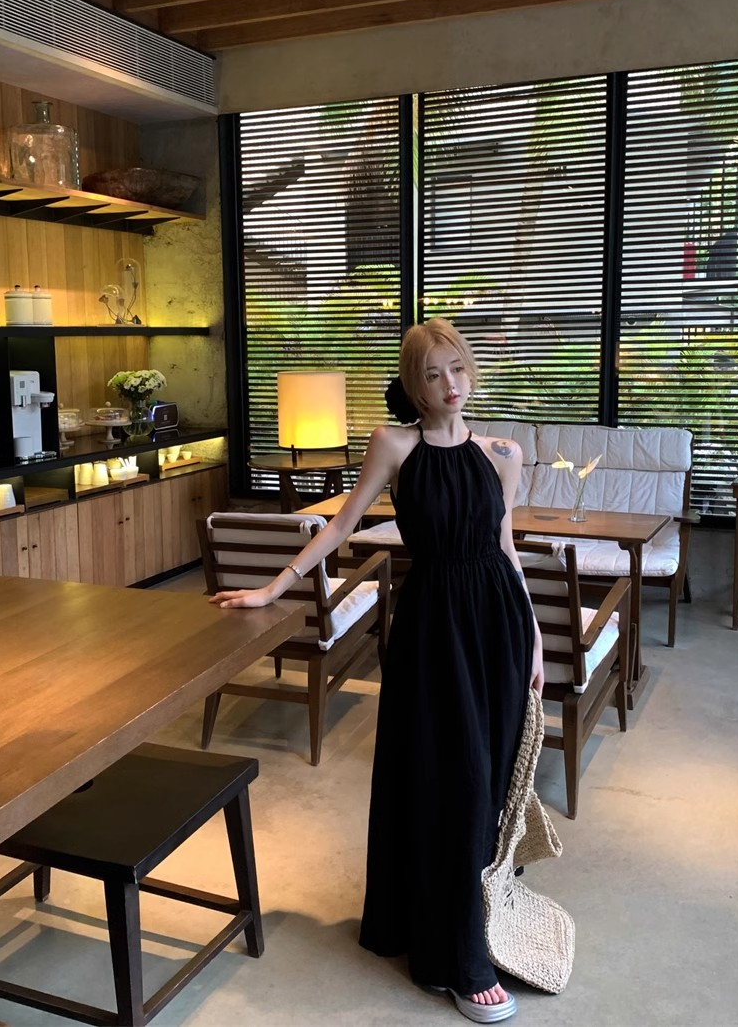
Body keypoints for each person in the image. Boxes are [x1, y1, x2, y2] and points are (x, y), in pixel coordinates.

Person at [212, 318, 544, 1024]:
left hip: (499, 627)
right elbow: (340, 525)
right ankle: (458, 959)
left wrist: (537, 639)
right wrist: (274, 588)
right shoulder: (394, 445)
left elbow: (506, 547)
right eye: (433, 374)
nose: (449, 385)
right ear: (413, 385)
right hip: (433, 628)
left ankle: (480, 913)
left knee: (490, 779)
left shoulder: (503, 452)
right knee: (449, 777)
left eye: (457, 368)